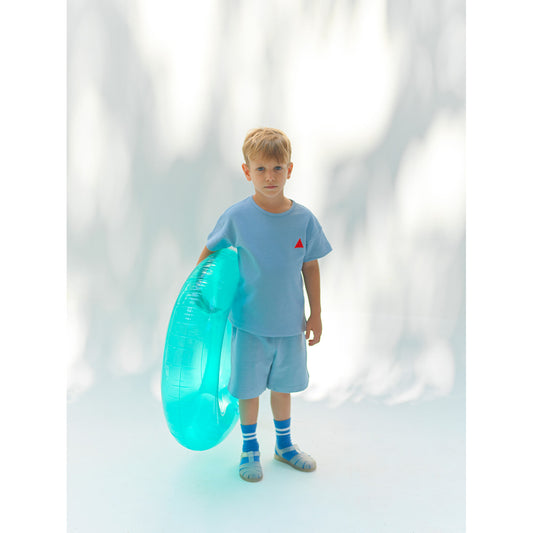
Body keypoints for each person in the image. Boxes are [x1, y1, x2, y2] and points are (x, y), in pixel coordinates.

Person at [196, 127, 332, 482]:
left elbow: (311, 266)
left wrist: (316, 313)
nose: (269, 177)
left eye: (277, 168)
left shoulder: (304, 219)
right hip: (249, 325)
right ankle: (249, 448)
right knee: (249, 390)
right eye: (260, 169)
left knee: (283, 388)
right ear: (247, 171)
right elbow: (209, 254)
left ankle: (284, 446)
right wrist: (199, 297)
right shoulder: (236, 217)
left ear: (290, 169)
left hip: (290, 326)